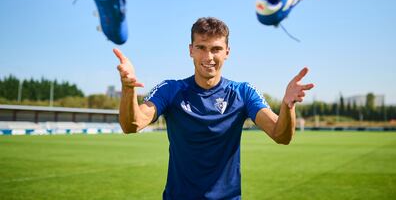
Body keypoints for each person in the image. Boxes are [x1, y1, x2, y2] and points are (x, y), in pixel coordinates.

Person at [113, 17, 314, 200]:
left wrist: (288, 107)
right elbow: (132, 124)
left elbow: (281, 135)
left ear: (227, 52)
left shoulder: (243, 92)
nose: (208, 57)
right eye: (201, 47)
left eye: (216, 49)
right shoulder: (170, 89)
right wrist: (128, 89)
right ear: (190, 50)